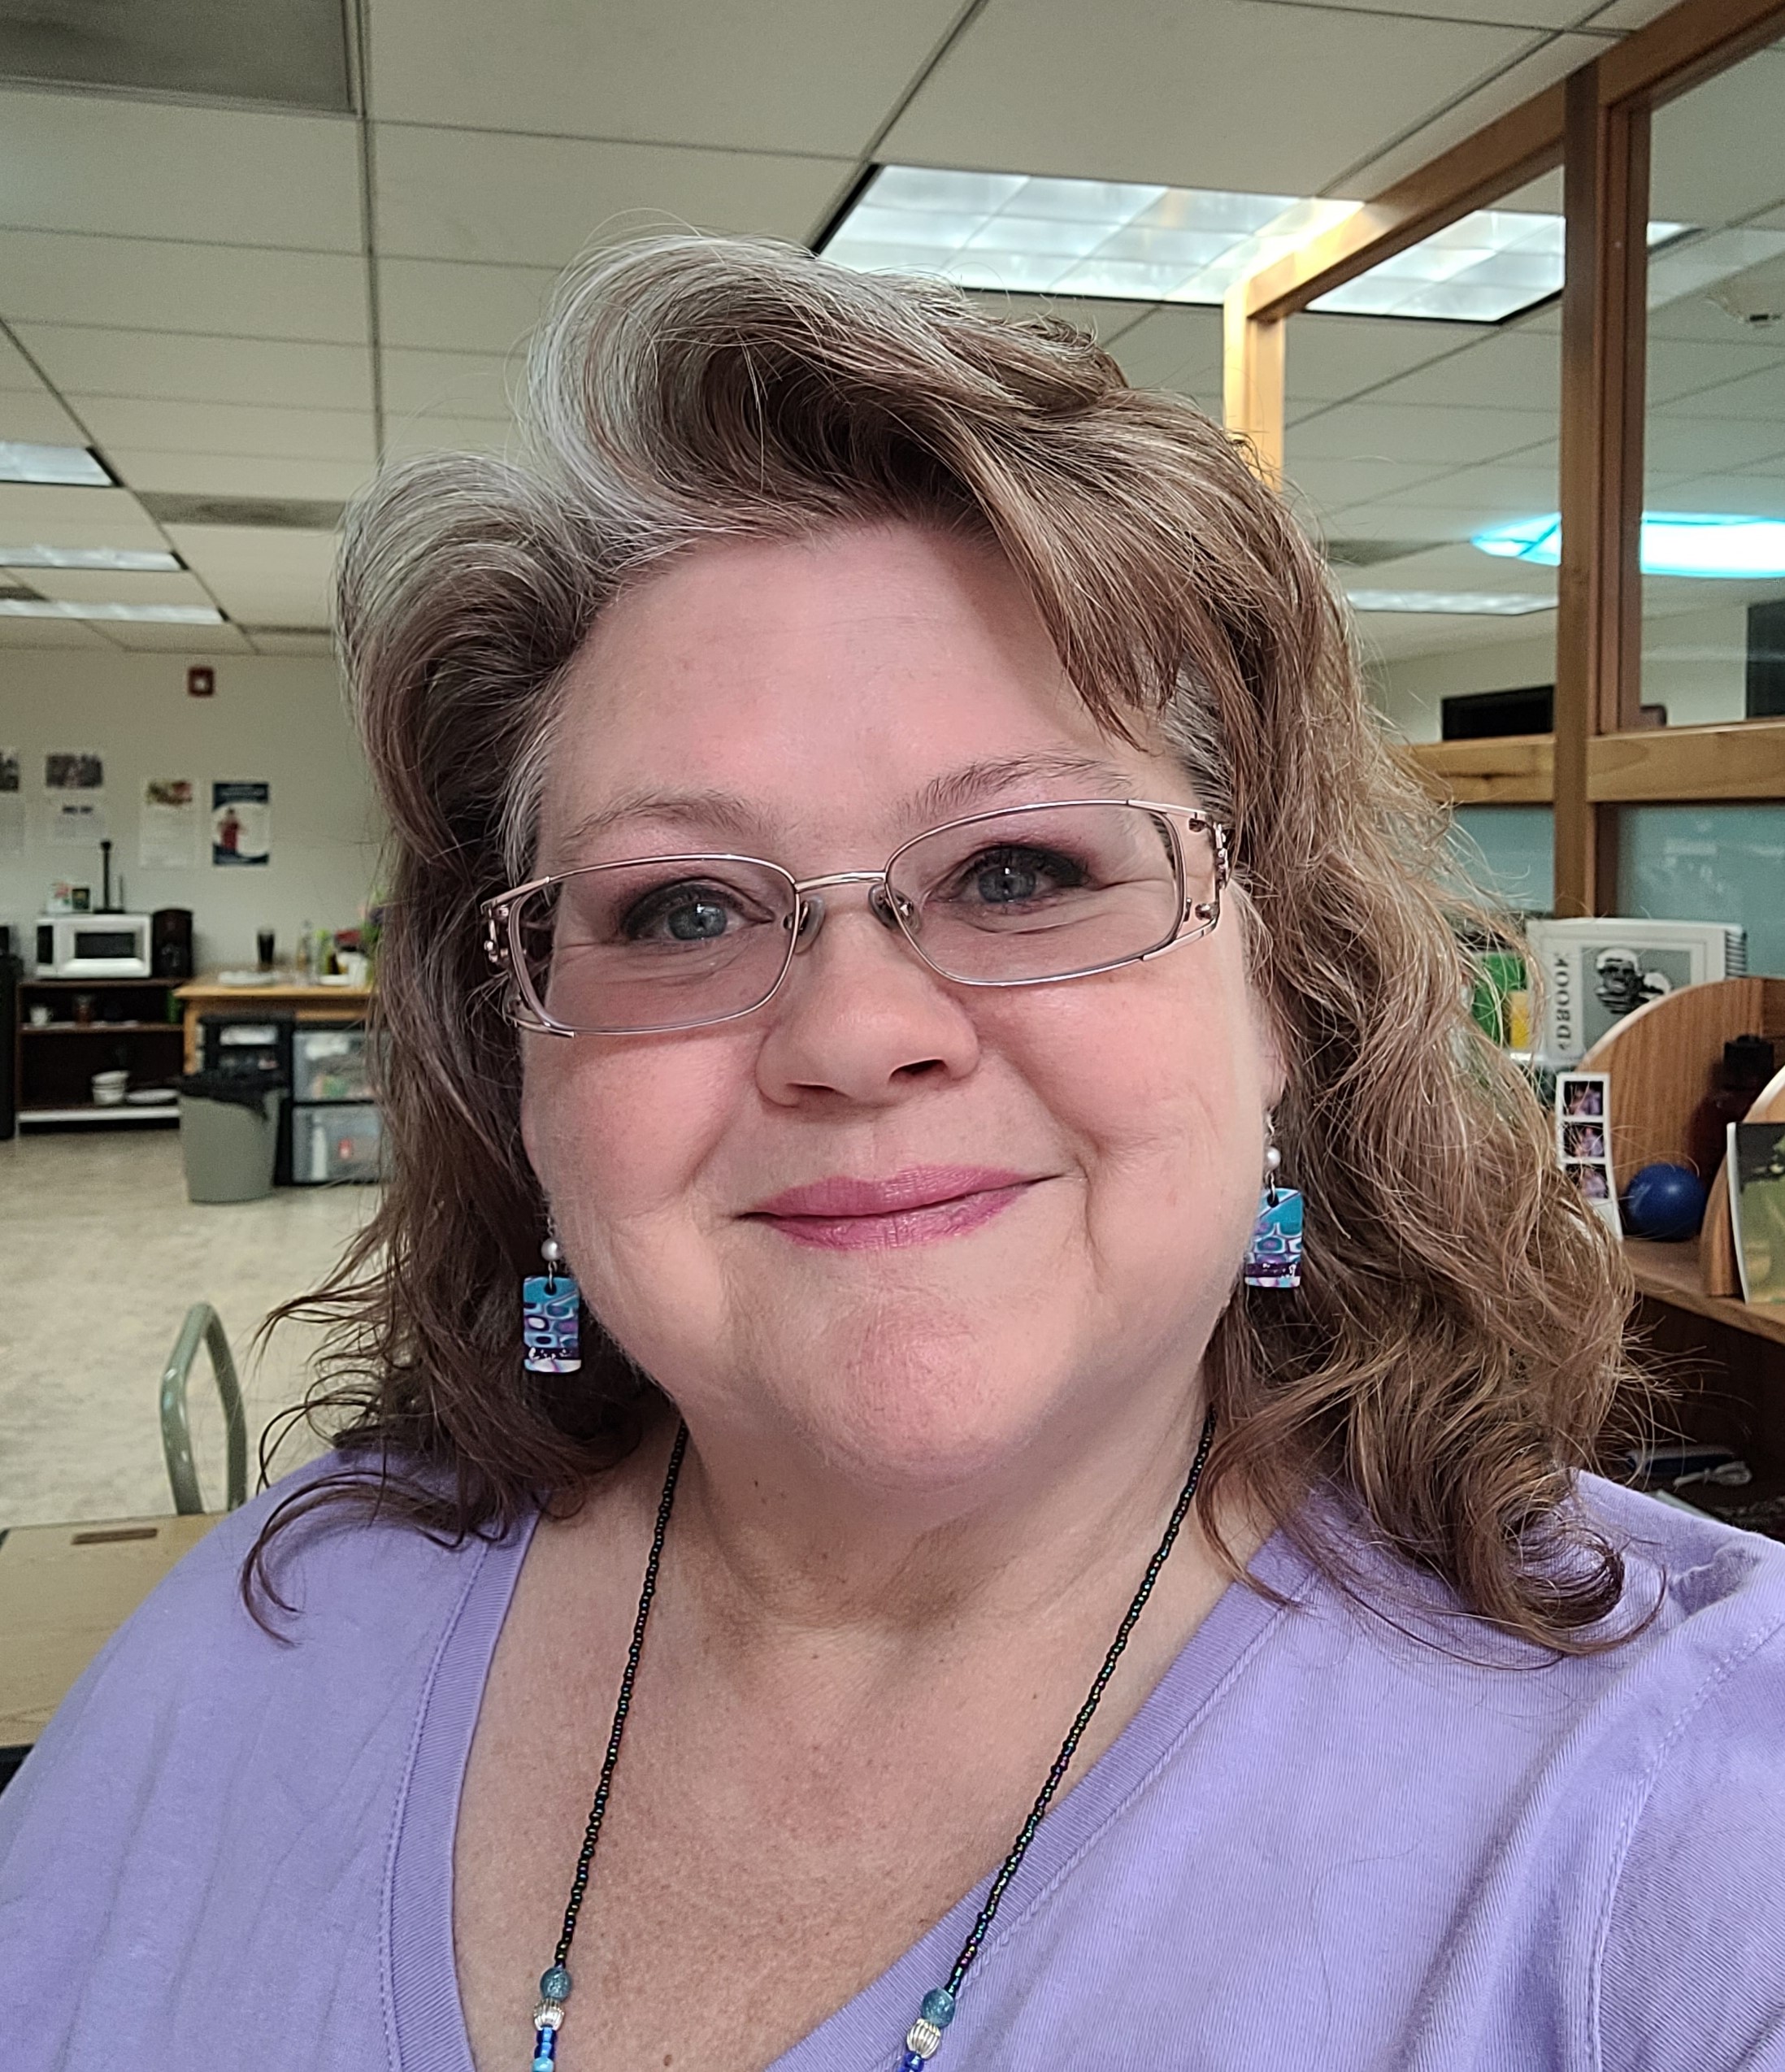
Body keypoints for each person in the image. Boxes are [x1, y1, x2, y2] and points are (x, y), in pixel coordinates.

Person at [3, 235, 1783, 2072]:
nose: (856, 1035)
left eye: (1022, 873)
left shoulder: (1690, 1808)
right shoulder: (263, 1638)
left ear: (1283, 1000)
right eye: (682, 905)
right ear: (518, 1062)